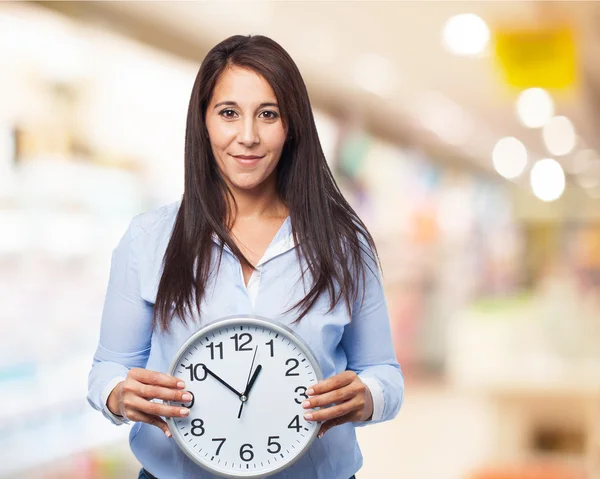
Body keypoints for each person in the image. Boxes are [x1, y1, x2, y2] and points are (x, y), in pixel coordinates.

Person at [87, 34, 404, 479]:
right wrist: (118, 394)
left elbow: (383, 371)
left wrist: (368, 395)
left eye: (268, 115)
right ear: (203, 122)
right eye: (229, 113)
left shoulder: (344, 242)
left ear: (291, 126)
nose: (248, 136)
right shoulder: (150, 238)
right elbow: (108, 369)